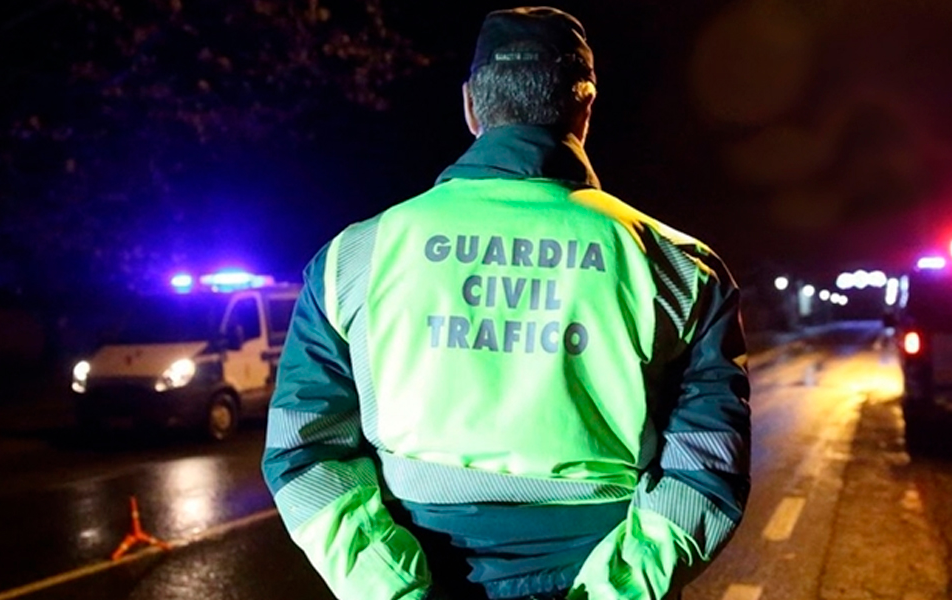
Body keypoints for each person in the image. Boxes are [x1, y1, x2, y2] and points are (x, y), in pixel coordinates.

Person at [262, 7, 751, 600]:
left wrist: (390, 586)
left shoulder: (353, 259)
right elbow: (706, 464)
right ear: (585, 106)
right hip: (600, 564)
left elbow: (303, 449)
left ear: (471, 106)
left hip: (420, 566)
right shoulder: (679, 267)